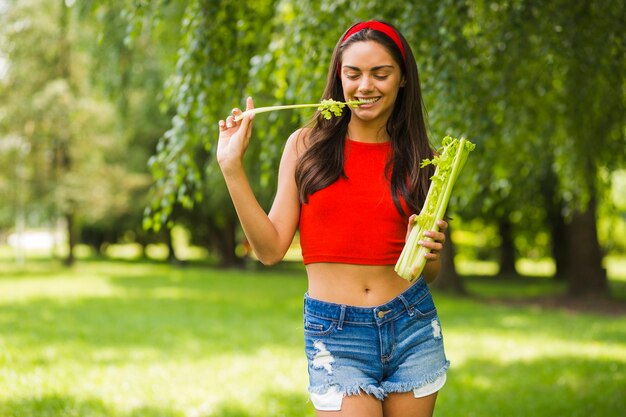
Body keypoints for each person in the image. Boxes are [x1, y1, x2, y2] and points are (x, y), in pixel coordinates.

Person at [217, 19, 449, 417]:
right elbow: (270, 250)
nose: (365, 86)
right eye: (353, 74)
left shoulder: (425, 159)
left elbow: (428, 273)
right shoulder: (304, 147)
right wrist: (231, 168)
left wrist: (429, 253)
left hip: (412, 325)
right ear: (338, 78)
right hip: (336, 334)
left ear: (403, 79)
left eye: (381, 73)